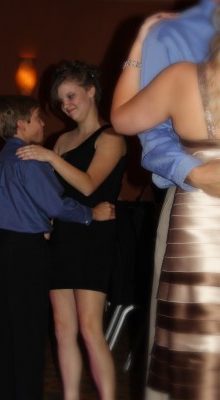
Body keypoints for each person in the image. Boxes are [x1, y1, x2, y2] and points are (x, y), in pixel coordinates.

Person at [111, 11, 220, 399]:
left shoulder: (182, 78)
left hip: (201, 225)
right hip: (198, 224)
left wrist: (141, 42)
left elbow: (122, 119)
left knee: (193, 352)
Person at [0, 95, 116, 400]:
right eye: (38, 118)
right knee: (29, 335)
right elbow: (55, 204)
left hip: (0, 249)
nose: (44, 124)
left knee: (5, 333)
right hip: (26, 251)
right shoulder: (30, 160)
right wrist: (92, 213)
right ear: (22, 124)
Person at [16, 61, 126, 400]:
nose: (66, 105)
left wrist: (49, 157)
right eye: (62, 100)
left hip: (95, 236)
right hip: (63, 235)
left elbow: (89, 184)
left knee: (91, 329)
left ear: (91, 91)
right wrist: (11, 162)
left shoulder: (111, 137)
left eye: (71, 96)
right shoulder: (62, 140)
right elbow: (49, 191)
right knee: (63, 329)